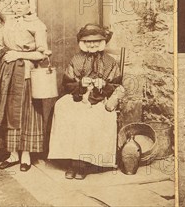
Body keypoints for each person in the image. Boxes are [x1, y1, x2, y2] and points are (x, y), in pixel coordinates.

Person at [48, 24, 126, 180]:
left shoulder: (110, 61)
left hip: (100, 99)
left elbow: (117, 84)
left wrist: (104, 85)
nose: (92, 44)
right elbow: (67, 83)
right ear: (82, 42)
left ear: (103, 42)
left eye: (96, 41)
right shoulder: (76, 59)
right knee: (62, 108)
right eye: (88, 41)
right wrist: (80, 84)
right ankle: (71, 161)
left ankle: (83, 163)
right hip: (79, 96)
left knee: (88, 118)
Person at [0, 0, 51, 172]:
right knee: (7, 110)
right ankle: (13, 153)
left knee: (25, 111)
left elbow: (42, 53)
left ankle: (26, 155)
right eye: (15, 3)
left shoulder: (38, 25)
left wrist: (18, 54)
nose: (17, 7)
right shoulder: (9, 19)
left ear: (30, 5)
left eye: (22, 3)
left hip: (25, 72)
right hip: (6, 70)